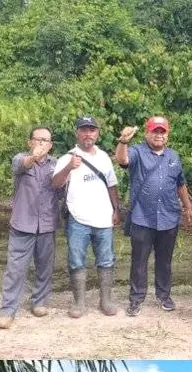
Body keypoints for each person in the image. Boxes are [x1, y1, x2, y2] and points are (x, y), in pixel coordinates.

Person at [115, 116, 192, 317]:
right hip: (142, 217)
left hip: (169, 217)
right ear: (147, 133)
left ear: (167, 135)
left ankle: (163, 296)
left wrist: (187, 207)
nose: (159, 135)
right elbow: (122, 160)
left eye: (162, 131)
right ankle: (136, 299)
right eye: (155, 131)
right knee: (139, 261)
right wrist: (123, 141)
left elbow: (180, 183)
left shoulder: (173, 156)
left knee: (165, 261)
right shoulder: (137, 152)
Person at [52, 116, 121, 318]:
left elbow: (112, 185)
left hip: (103, 217)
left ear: (97, 133)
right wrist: (68, 167)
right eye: (84, 130)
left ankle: (105, 300)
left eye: (92, 130)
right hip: (77, 218)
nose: (88, 134)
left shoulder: (104, 157)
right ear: (77, 133)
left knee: (106, 260)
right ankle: (79, 303)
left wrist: (116, 210)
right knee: (76, 261)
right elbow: (55, 184)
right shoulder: (67, 157)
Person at [0, 127, 60, 329]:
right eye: (38, 139)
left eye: (46, 140)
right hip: (23, 224)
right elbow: (22, 165)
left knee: (44, 267)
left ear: (51, 145)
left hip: (47, 224)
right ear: (30, 142)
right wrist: (33, 157)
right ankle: (7, 310)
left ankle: (39, 302)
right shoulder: (20, 159)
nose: (42, 143)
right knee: (15, 269)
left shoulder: (56, 164)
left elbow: (61, 188)